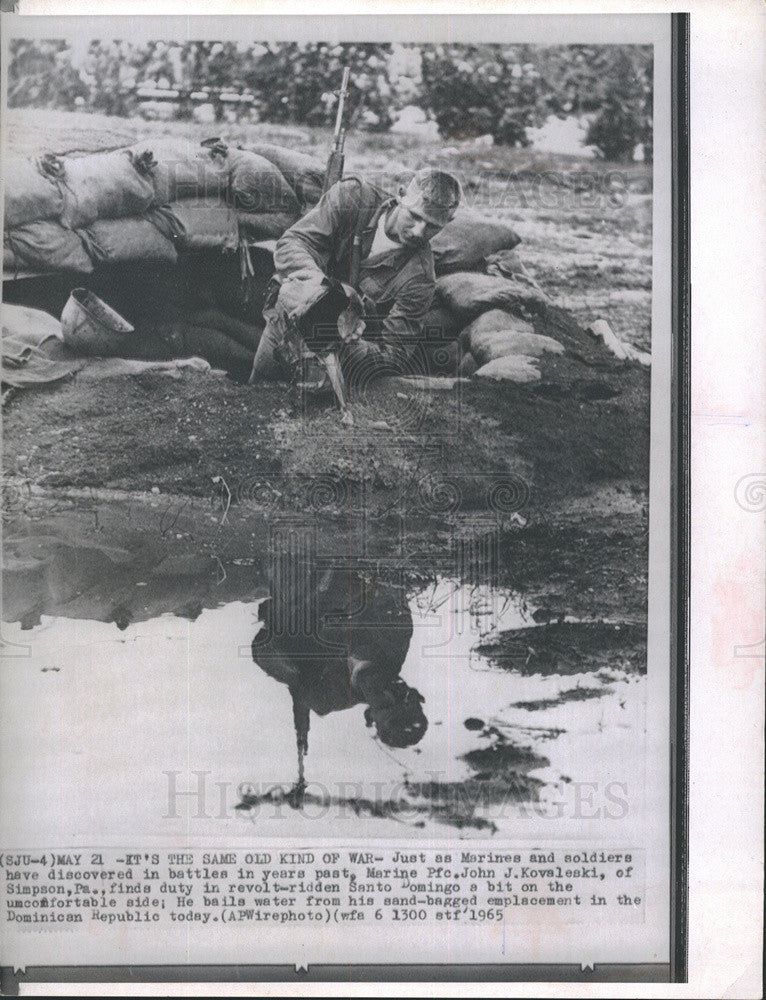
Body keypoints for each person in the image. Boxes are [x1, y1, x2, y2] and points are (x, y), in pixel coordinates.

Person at [247, 167, 462, 387]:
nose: (418, 231)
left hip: (338, 358)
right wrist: (325, 296)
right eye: (415, 216)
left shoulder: (420, 279)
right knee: (255, 394)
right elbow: (293, 243)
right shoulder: (353, 198)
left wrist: (343, 339)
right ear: (401, 194)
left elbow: (395, 355)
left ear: (449, 221)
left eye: (432, 226)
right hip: (288, 321)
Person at [251, 566, 428, 795]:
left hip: (280, 583)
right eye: (401, 694)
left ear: (370, 716)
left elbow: (263, 649)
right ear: (408, 690)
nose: (390, 691)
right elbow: (385, 580)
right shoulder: (394, 637)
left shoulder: (329, 697)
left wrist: (296, 678)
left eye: (385, 704)